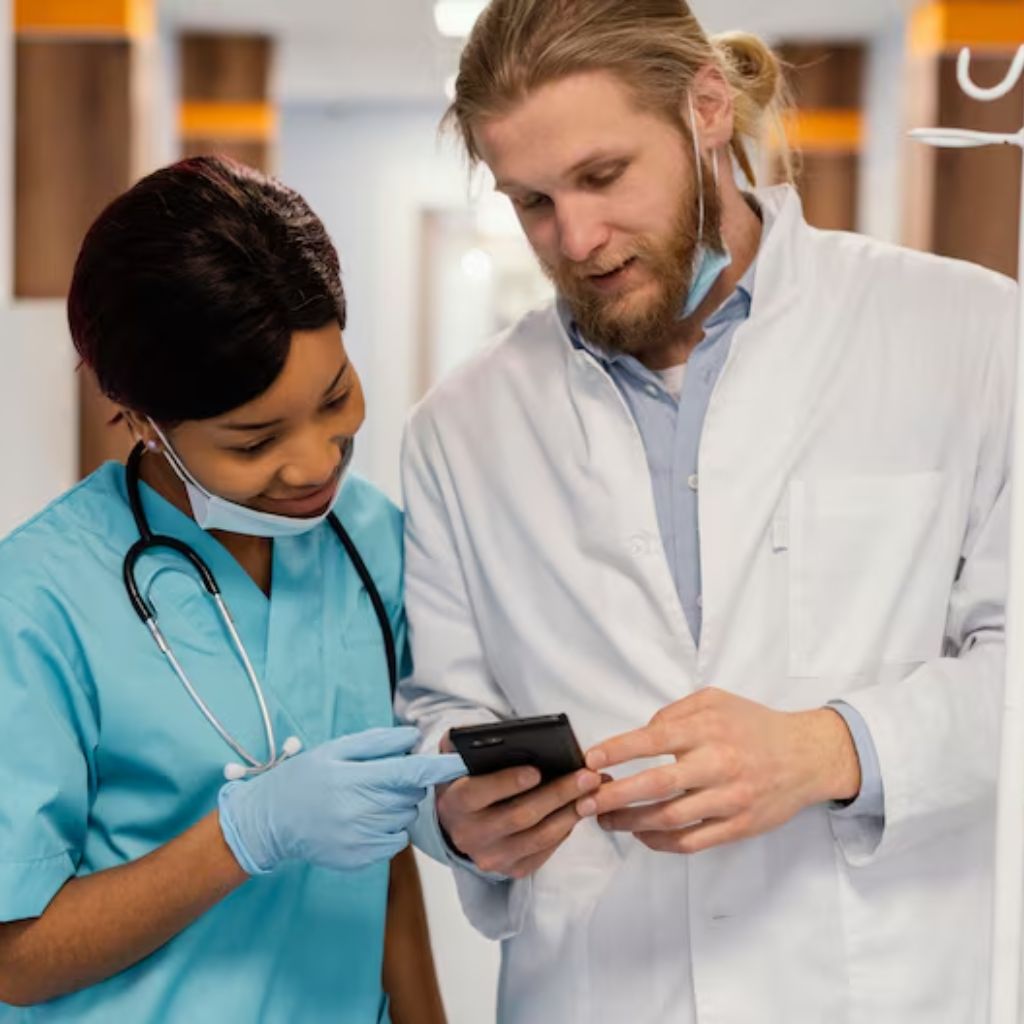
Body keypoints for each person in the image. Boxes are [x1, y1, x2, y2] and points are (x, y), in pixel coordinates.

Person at [398, 1, 1013, 1021]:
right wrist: (456, 816)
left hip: (883, 985)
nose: (576, 239)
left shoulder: (969, 335)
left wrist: (831, 747)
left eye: (604, 175)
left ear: (708, 109)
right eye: (532, 202)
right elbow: (438, 711)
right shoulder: (459, 426)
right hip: (600, 986)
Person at [0, 156, 465, 1023]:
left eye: (335, 398)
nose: (316, 463)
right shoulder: (37, 601)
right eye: (254, 442)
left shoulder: (370, 539)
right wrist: (242, 837)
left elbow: (377, 841)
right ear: (142, 420)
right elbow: (15, 958)